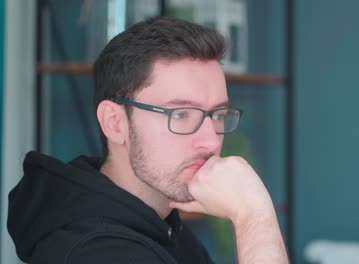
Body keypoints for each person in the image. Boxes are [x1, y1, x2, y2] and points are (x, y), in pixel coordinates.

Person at [7, 16, 288, 263]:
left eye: (217, 114)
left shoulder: (162, 226)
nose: (211, 141)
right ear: (114, 123)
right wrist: (255, 217)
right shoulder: (96, 254)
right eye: (180, 114)